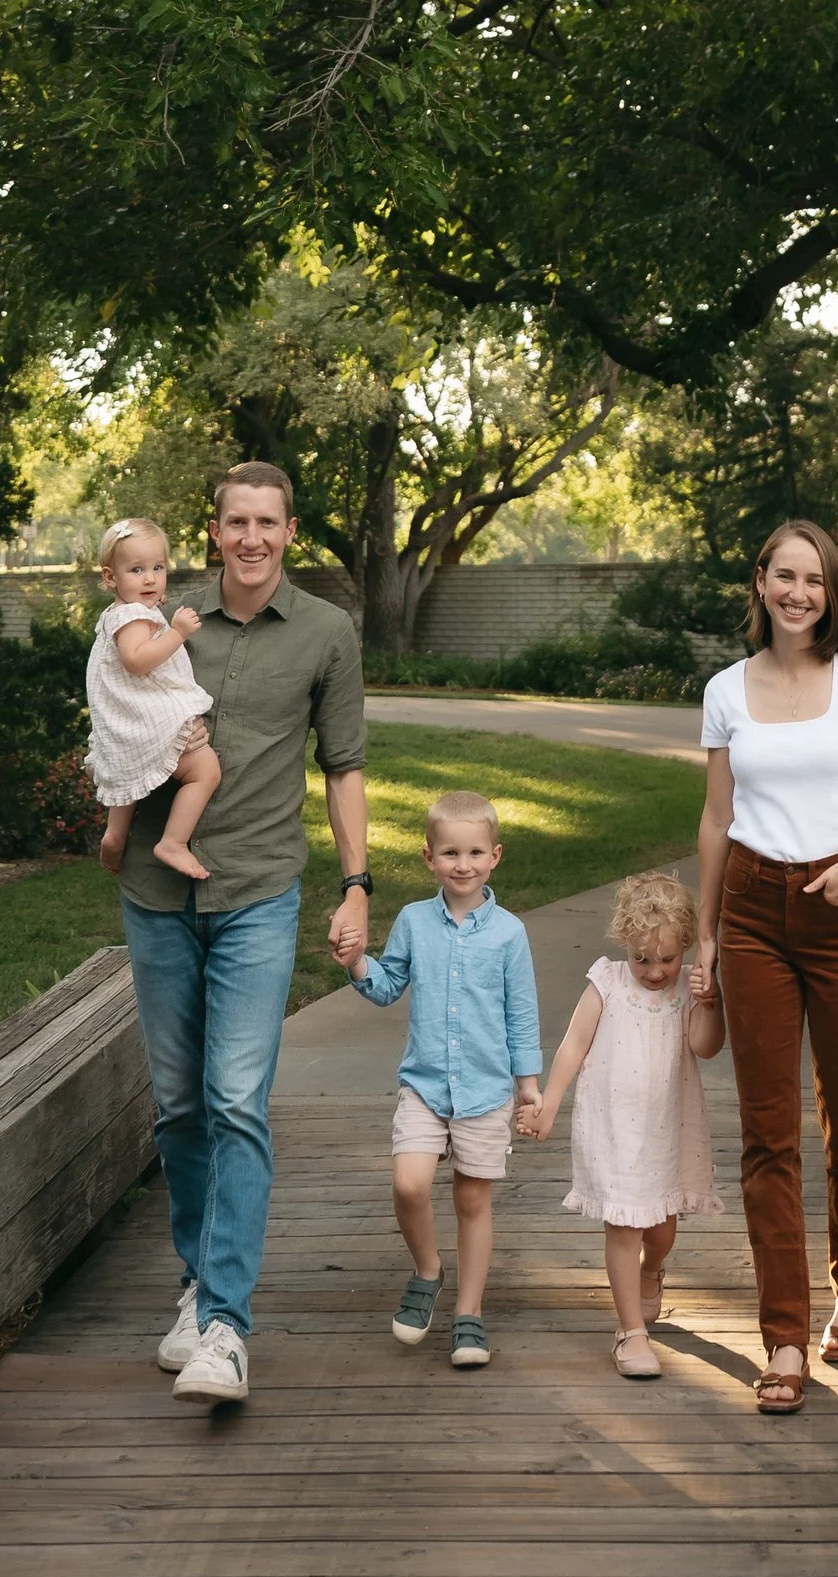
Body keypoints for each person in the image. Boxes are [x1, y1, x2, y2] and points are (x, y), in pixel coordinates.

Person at [117, 461, 372, 1408]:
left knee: (236, 1102)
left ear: (290, 532)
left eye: (268, 522)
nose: (252, 538)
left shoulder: (327, 632)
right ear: (215, 530)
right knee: (179, 1106)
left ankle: (226, 1325)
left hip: (259, 892)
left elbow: (344, 767)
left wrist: (356, 886)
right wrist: (112, 817)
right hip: (156, 893)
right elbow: (114, 716)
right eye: (236, 522)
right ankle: (196, 1285)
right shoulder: (162, 618)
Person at [691, 518, 838, 1416]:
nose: (799, 594)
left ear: (832, 593)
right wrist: (707, 933)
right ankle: (783, 1338)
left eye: (816, 580)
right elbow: (717, 817)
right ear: (761, 582)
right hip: (752, 911)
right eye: (786, 576)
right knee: (766, 1131)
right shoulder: (724, 690)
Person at [347, 794, 542, 1370]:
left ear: (495, 856)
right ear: (429, 857)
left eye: (475, 852)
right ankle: (428, 1270)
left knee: (471, 1199)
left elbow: (521, 1014)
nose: (463, 864)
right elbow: (387, 985)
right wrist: (356, 962)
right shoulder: (413, 921)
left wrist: (528, 1085)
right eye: (451, 853)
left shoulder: (509, 933)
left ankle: (469, 1313)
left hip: (485, 1091)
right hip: (425, 1086)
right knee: (409, 1184)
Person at [519, 869, 723, 1379]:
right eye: (642, 959)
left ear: (685, 947)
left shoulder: (689, 987)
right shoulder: (607, 982)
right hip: (613, 1128)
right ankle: (630, 1332)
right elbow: (574, 1045)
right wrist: (549, 1104)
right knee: (624, 1226)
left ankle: (652, 1269)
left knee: (661, 1229)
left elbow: (705, 1046)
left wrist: (710, 1001)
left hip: (667, 1128)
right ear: (624, 945)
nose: (654, 971)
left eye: (667, 959)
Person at [84, 519, 218, 882]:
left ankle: (115, 834)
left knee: (129, 774)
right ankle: (173, 842)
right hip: (150, 718)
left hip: (127, 721)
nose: (150, 579)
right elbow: (137, 660)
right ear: (110, 577)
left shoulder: (120, 611)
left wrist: (153, 610)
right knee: (205, 771)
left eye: (158, 568)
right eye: (137, 570)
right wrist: (176, 632)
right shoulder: (131, 617)